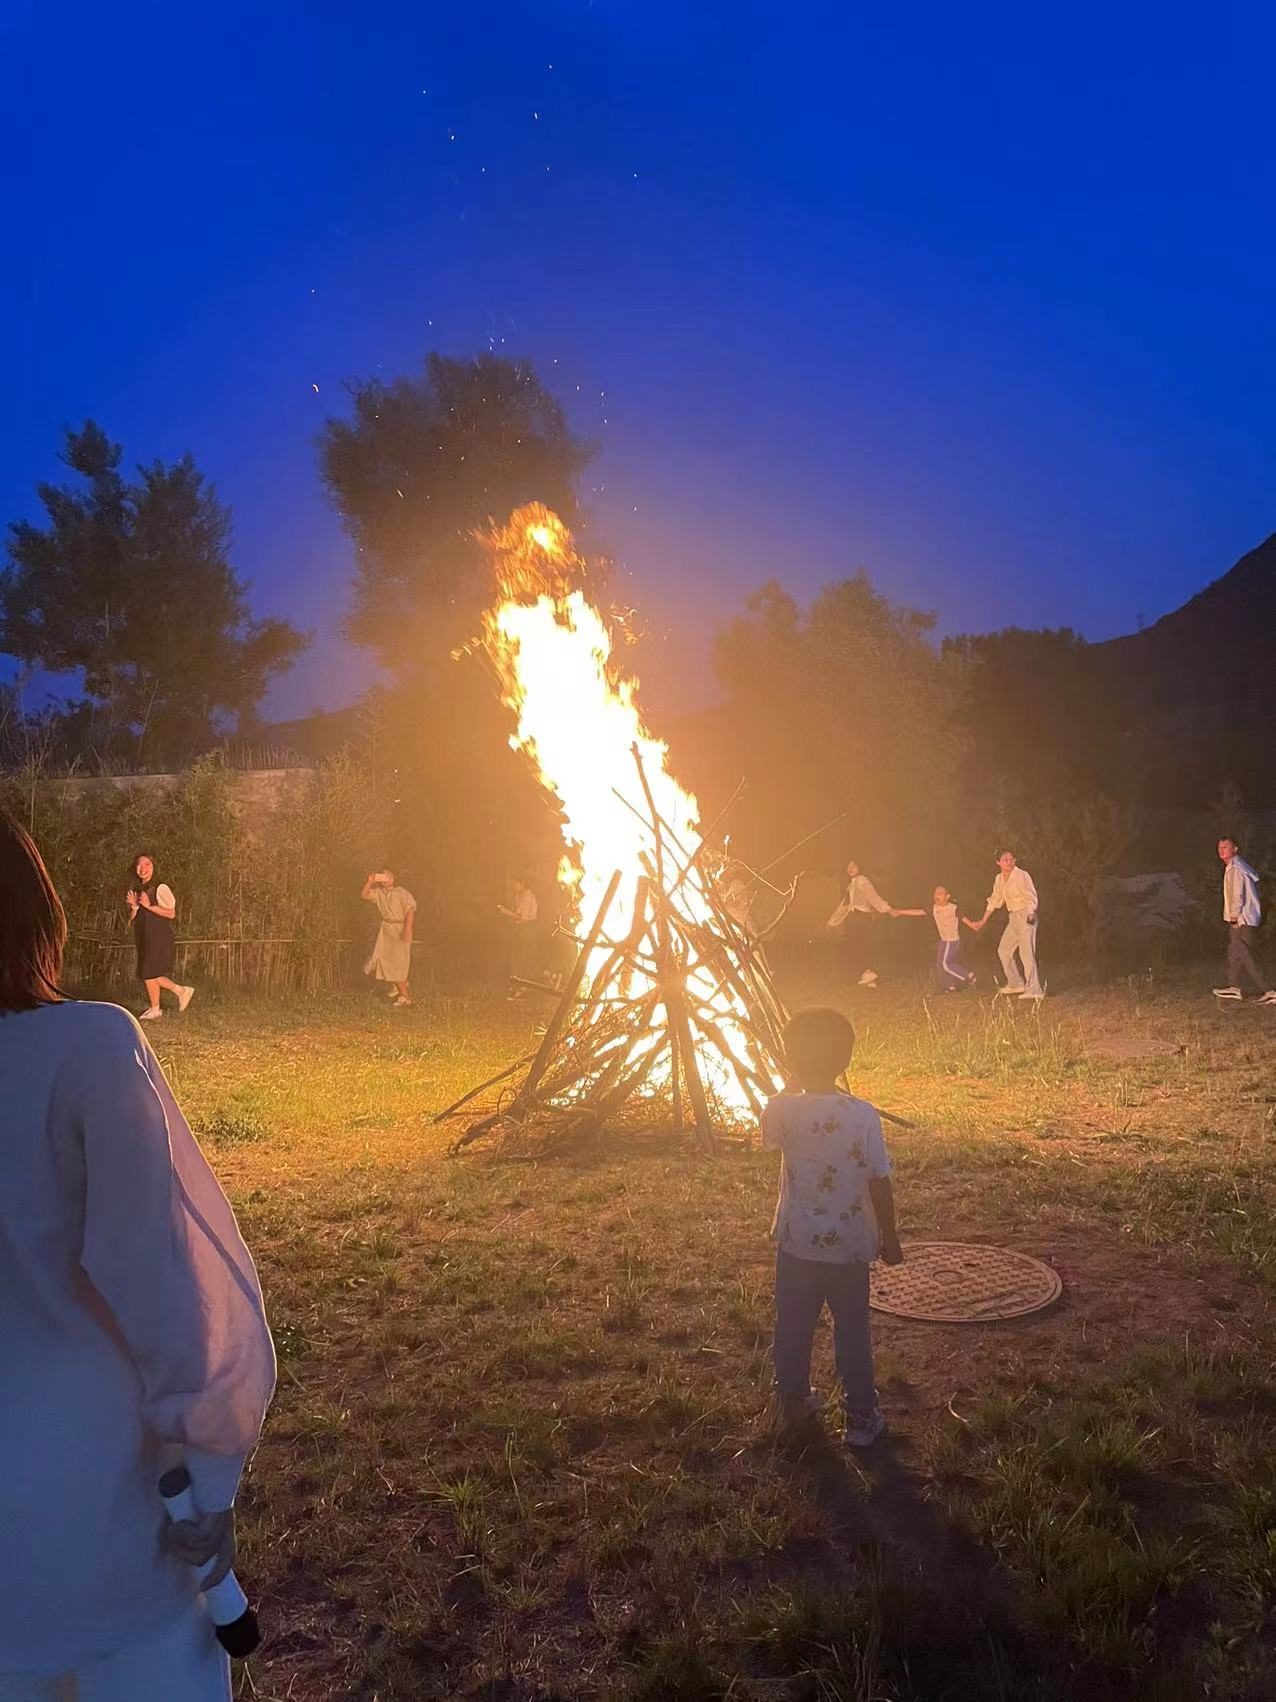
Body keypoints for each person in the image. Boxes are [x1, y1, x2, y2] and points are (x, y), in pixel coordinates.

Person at [0, 807, 275, 1702]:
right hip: (101, 1500)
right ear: (30, 910)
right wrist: (211, 1474)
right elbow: (161, 1284)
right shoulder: (87, 1049)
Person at [761, 1007, 903, 1449]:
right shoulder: (862, 1115)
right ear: (846, 1058)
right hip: (849, 1246)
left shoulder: (780, 1109)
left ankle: (794, 1401)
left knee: (793, 1325)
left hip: (797, 1244)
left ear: (789, 1059)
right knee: (852, 1330)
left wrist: (791, 1080)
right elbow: (879, 1179)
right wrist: (890, 1237)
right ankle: (861, 1418)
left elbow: (768, 1138)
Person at [825, 859, 918, 988]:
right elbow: (844, 906)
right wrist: (832, 922)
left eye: (854, 866)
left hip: (861, 918)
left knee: (861, 947)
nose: (850, 868)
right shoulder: (851, 884)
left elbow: (874, 898)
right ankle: (869, 978)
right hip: (853, 918)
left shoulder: (862, 881)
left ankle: (869, 974)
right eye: (848, 866)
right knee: (856, 948)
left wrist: (889, 909)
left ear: (860, 867)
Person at [965, 850, 1044, 1000]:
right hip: (1013, 916)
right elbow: (995, 900)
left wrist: (1030, 914)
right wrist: (982, 921)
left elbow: (1031, 895)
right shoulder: (999, 879)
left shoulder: (1021, 875)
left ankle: (1035, 989)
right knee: (1004, 950)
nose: (1009, 861)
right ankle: (1016, 983)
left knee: (1026, 953)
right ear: (998, 863)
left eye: (1011, 859)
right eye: (1005, 859)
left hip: (1026, 914)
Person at [127, 853, 195, 1021]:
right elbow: (131, 921)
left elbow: (171, 913)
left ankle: (178, 992)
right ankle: (158, 1007)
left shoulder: (159, 887)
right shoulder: (137, 889)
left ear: (153, 866)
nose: (143, 868)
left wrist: (149, 906)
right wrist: (134, 907)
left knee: (148, 973)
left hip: (158, 935)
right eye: (139, 865)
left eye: (147, 864)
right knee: (149, 972)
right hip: (144, 936)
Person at [1213, 838, 1275, 1005]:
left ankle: (1270, 990)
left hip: (1242, 918)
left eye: (1226, 846)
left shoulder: (1237, 868)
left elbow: (1237, 895)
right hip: (1242, 917)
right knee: (1234, 952)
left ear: (1235, 849)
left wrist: (1233, 918)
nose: (1222, 849)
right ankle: (1234, 987)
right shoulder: (1232, 867)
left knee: (1246, 954)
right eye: (1220, 846)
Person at [362, 869, 416, 1008]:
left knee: (399, 963)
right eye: (383, 875)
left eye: (389, 875)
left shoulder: (401, 892)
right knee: (380, 960)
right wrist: (370, 881)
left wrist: (407, 929)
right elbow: (364, 895)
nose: (386, 877)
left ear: (393, 878)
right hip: (386, 931)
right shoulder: (379, 893)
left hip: (400, 928)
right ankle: (395, 986)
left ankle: (405, 997)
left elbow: (410, 910)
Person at [498, 874, 540, 1000]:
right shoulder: (518, 895)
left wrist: (505, 912)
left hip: (528, 930)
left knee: (524, 959)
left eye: (515, 883)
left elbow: (523, 918)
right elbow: (517, 914)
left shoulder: (528, 896)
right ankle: (517, 985)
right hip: (519, 929)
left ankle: (523, 990)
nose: (513, 885)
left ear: (522, 882)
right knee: (515, 957)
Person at [931, 885, 976, 992]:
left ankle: (968, 976)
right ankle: (949, 985)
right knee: (940, 964)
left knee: (946, 964)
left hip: (951, 941)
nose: (937, 895)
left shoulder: (953, 908)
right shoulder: (934, 907)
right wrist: (899, 912)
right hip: (944, 940)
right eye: (936, 893)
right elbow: (920, 911)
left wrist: (974, 925)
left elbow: (963, 918)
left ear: (947, 896)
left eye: (941, 893)